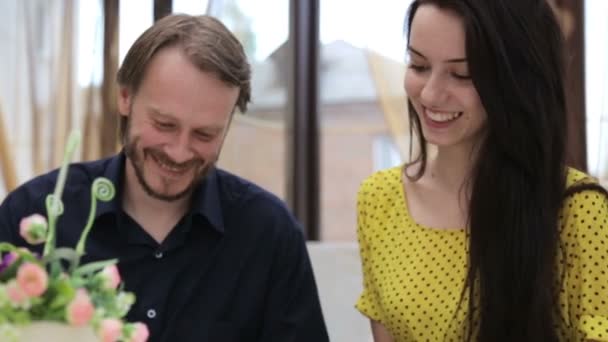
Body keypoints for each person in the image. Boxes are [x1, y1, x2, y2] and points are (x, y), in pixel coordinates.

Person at [0, 14, 329, 342]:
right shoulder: (34, 214)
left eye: (204, 134)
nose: (180, 152)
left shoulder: (268, 233)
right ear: (125, 97)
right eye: (164, 125)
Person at [355, 1, 608, 341]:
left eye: (461, 75)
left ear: (514, 80)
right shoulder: (379, 199)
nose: (430, 93)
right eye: (418, 65)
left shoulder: (579, 210)